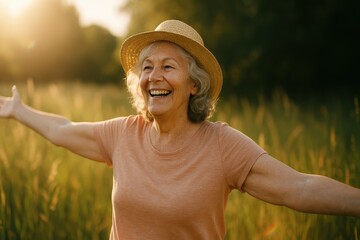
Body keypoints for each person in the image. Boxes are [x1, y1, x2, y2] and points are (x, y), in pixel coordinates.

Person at [0, 19, 359, 239]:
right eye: (147, 67)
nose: (154, 76)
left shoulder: (223, 145)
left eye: (168, 67)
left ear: (194, 84)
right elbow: (64, 129)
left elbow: (299, 187)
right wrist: (19, 110)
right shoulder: (124, 134)